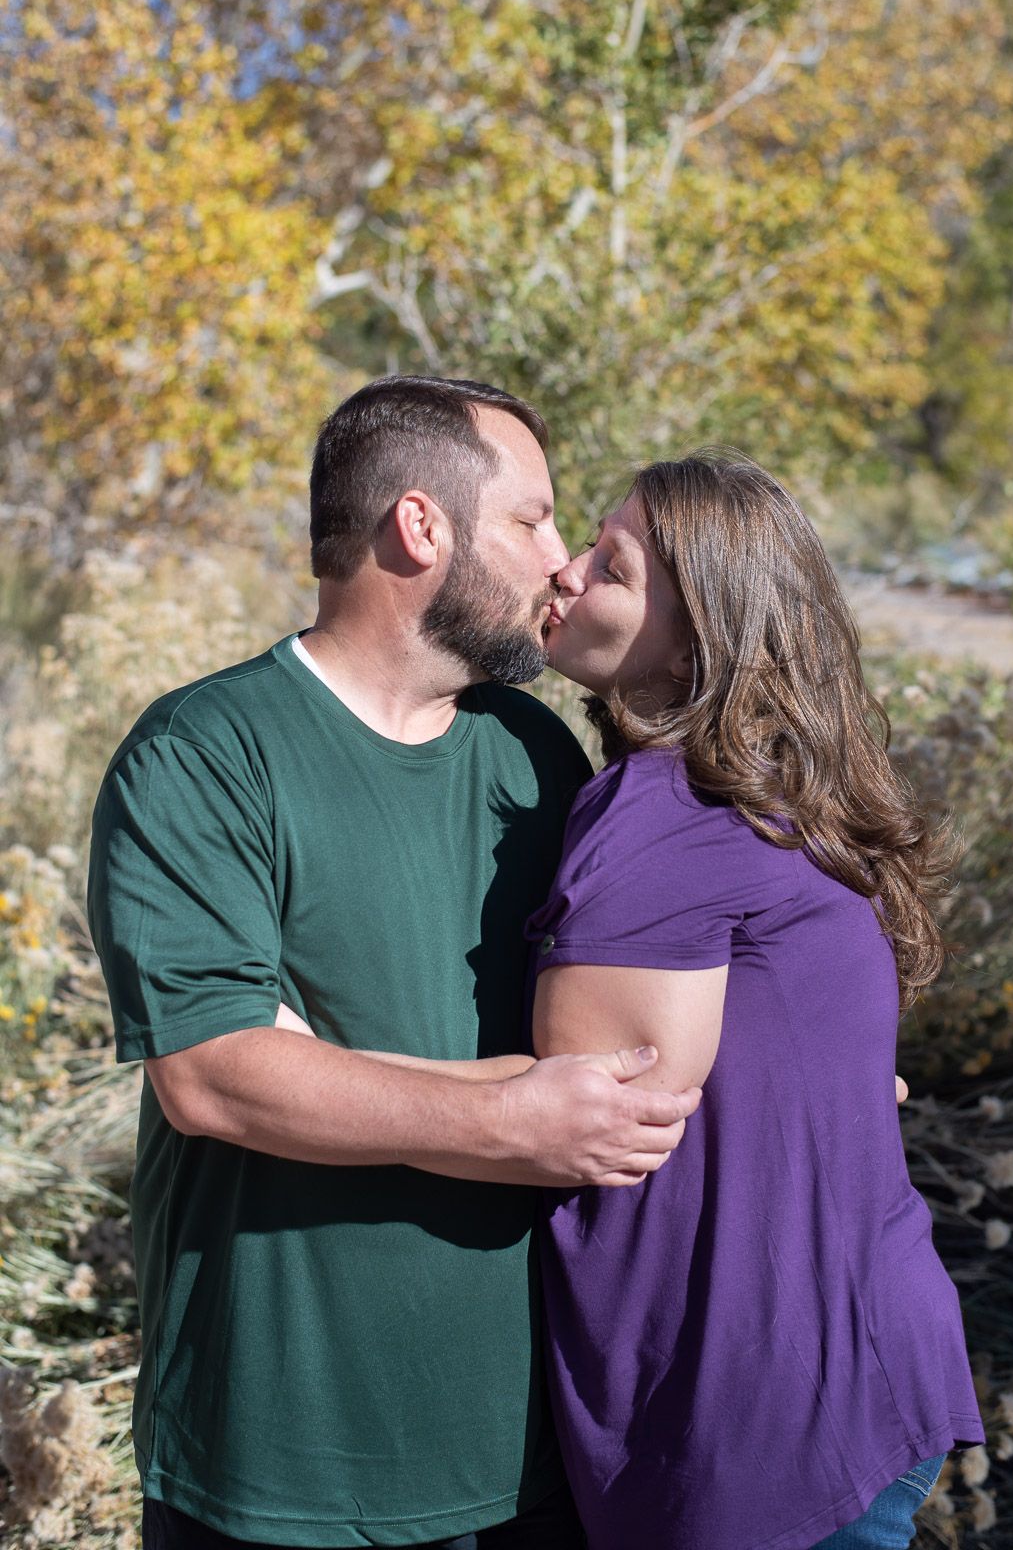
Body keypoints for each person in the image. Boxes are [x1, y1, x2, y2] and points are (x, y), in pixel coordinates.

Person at [87, 375, 703, 1550]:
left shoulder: (532, 753)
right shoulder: (205, 754)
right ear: (420, 527)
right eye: (530, 519)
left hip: (532, 1452)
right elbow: (215, 1075)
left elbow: (629, 1031)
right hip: (278, 1461)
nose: (558, 562)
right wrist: (511, 1121)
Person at [525, 452, 986, 1550]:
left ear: (695, 635)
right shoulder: (770, 795)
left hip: (769, 1418)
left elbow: (592, 1120)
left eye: (610, 565)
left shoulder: (666, 808)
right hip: (852, 1368)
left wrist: (309, 1067)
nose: (564, 571)